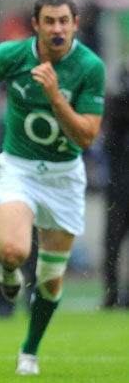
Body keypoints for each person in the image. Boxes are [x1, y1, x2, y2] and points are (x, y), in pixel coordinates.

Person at [0, 0, 105, 375]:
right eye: (50, 21)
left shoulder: (90, 67)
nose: (57, 28)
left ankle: (29, 350)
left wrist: (56, 97)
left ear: (75, 25)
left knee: (49, 281)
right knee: (12, 250)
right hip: (19, 168)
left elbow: (87, 137)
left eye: (64, 21)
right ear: (36, 25)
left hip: (64, 177)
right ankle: (7, 273)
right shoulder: (14, 55)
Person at [101, 60, 129, 308]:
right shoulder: (118, 100)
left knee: (113, 241)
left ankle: (115, 294)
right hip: (120, 184)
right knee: (112, 242)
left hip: (119, 183)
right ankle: (111, 293)